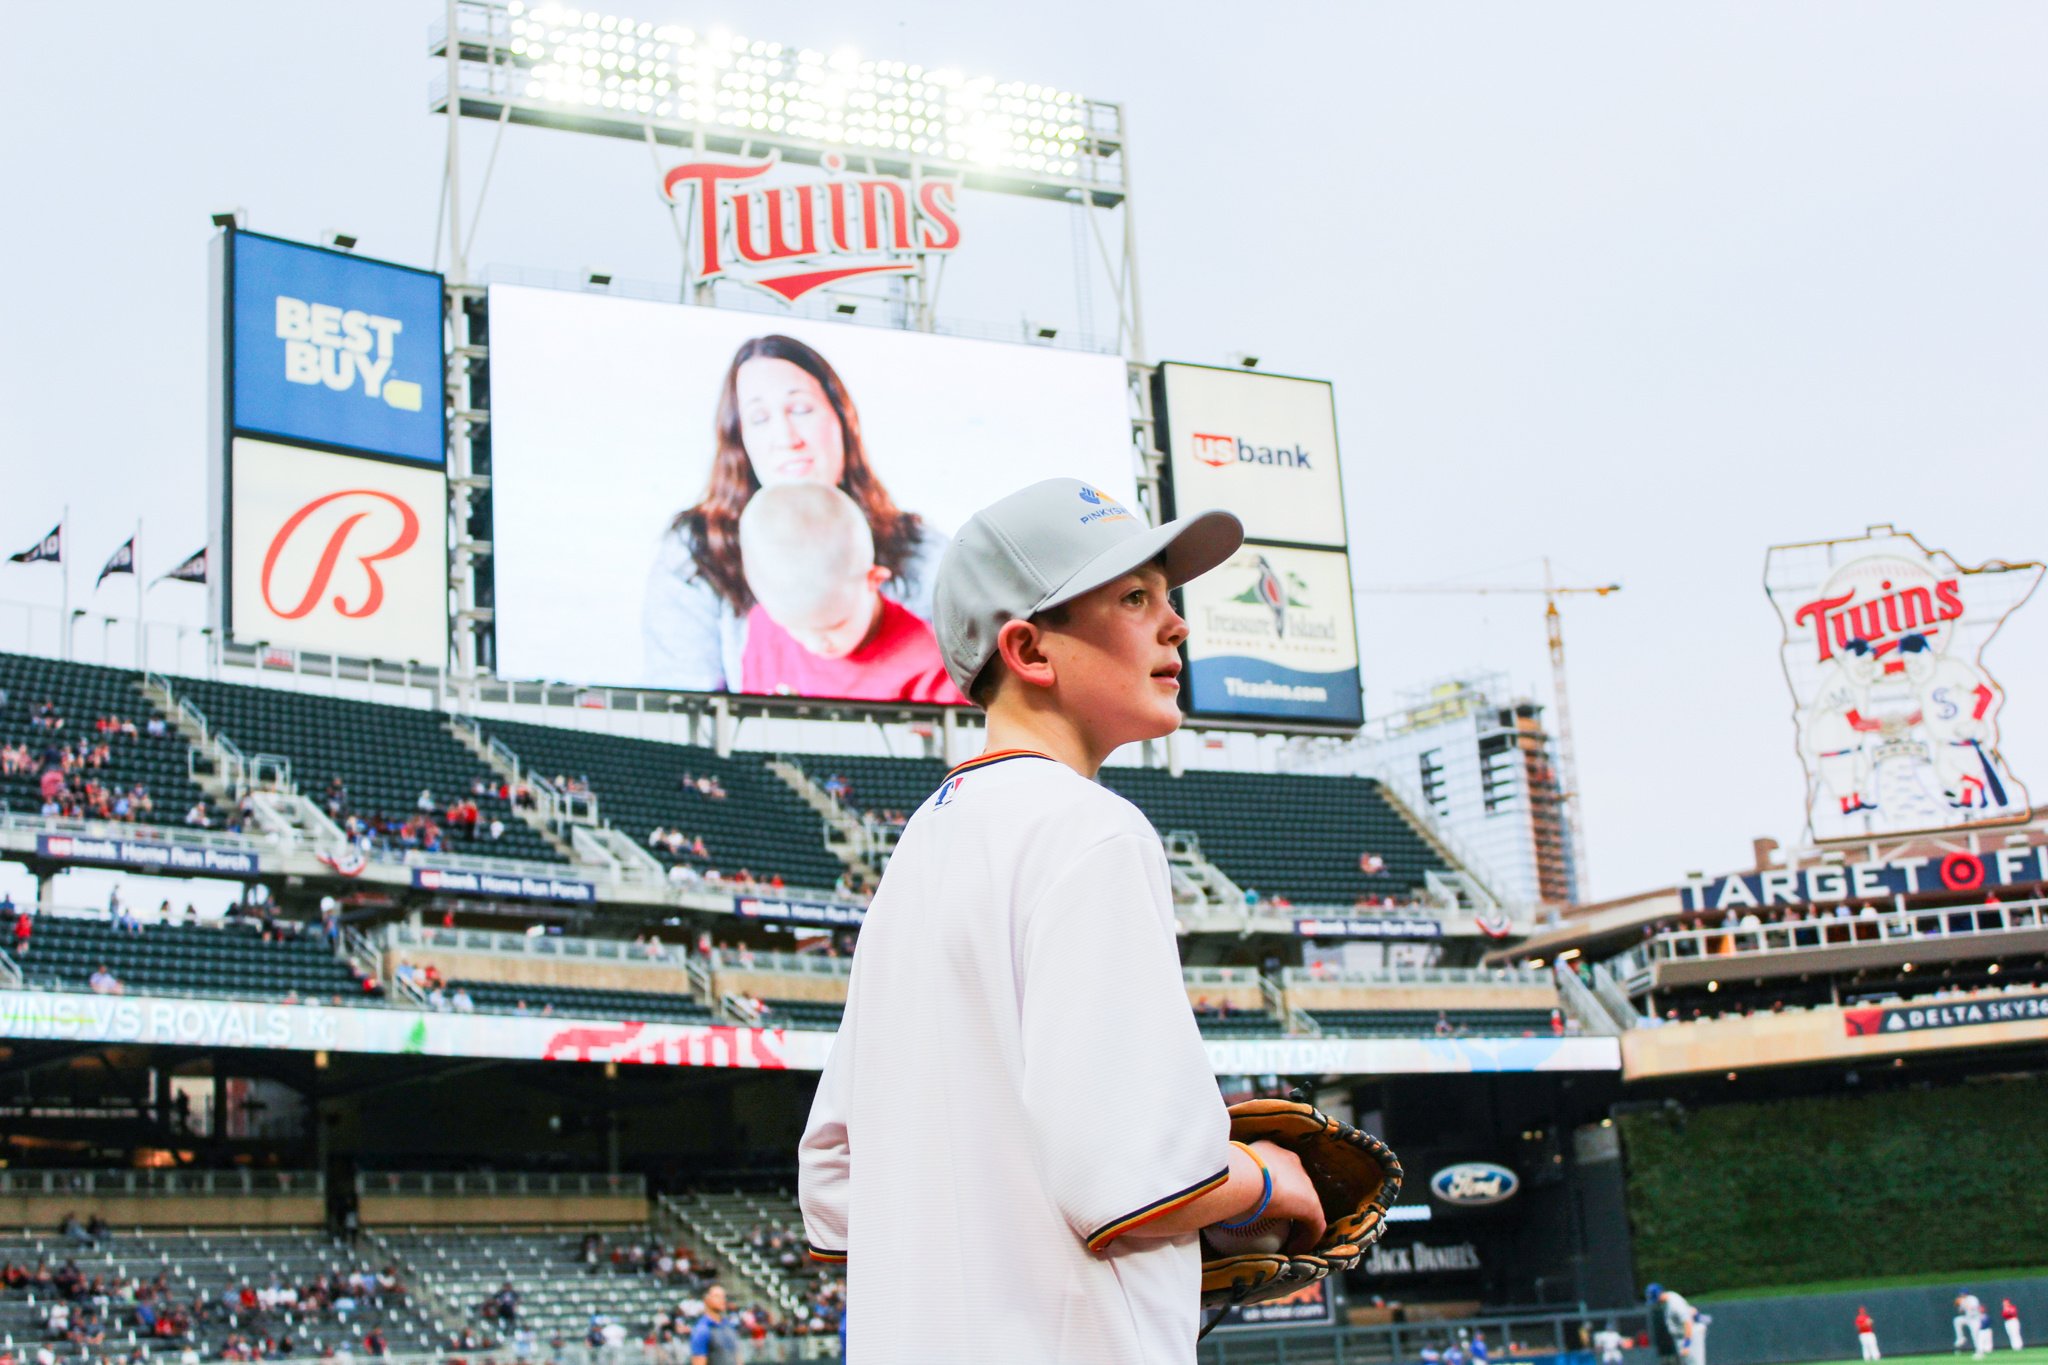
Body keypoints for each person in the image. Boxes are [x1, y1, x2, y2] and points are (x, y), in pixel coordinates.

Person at [797, 479, 1315, 1361]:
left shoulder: (919, 850)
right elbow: (1132, 1181)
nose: (1176, 623)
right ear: (1030, 649)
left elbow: (835, 1186)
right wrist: (1269, 1179)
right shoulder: (1090, 828)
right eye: (1135, 596)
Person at [642, 333, 948, 691]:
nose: (786, 438)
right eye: (758, 418)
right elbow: (682, 704)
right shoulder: (694, 552)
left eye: (800, 410)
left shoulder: (921, 553)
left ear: (842, 418)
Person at [734, 483, 963, 703]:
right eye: (795, 629)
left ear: (874, 581)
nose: (816, 644)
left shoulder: (931, 667)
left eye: (835, 625)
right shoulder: (763, 627)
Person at [1650, 1284, 1708, 1365]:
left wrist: (1687, 1344)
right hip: (1682, 1336)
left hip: (1691, 1336)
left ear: (1660, 1293)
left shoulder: (1674, 1304)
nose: (1656, 1301)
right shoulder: (1670, 1296)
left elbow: (1687, 1323)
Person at [686, 1285, 740, 1365]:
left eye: (724, 1297)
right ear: (706, 1300)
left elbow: (737, 1357)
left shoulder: (728, 1326)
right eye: (717, 1296)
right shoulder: (702, 1330)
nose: (722, 1300)